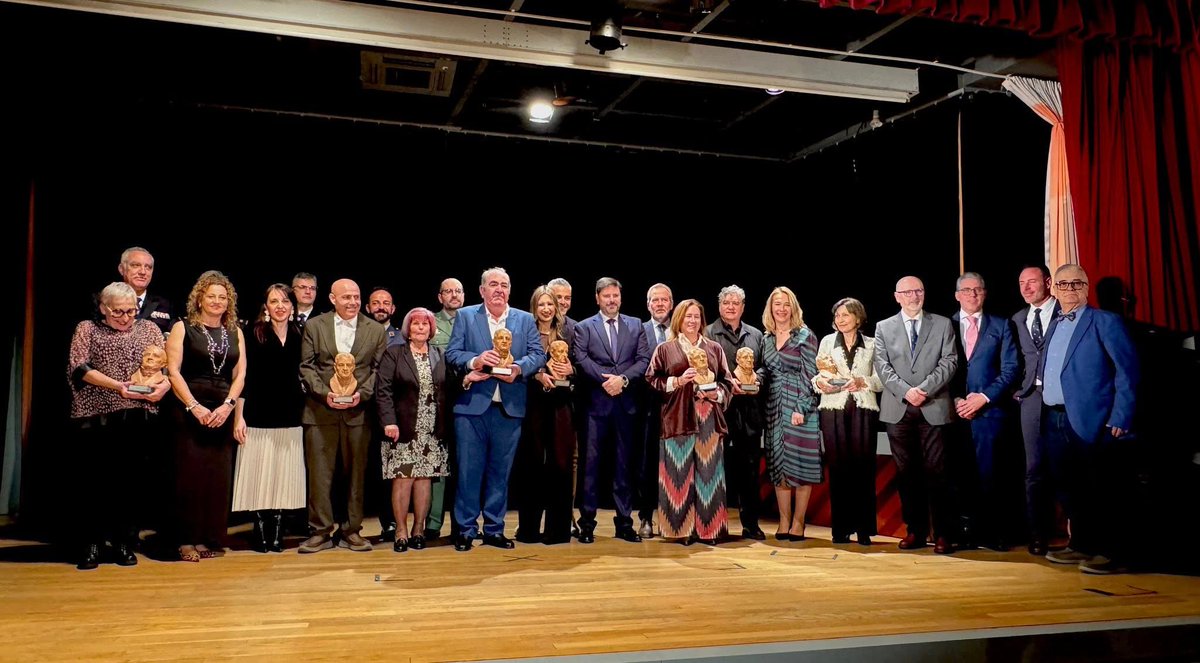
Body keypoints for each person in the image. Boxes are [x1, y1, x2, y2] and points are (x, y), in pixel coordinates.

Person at [1038, 264, 1140, 574]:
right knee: (1069, 486)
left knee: (1101, 488)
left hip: (1092, 419)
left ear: (1087, 287)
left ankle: (1110, 553)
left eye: (1076, 283)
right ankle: (1080, 545)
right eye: (1063, 284)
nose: (1069, 289)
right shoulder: (1055, 322)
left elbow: (1128, 371)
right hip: (1054, 418)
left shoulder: (1105, 322)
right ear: (1053, 288)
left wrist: (1121, 415)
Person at [67, 282, 170, 569]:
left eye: (131, 312)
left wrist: (165, 385)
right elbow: (79, 367)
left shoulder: (148, 329)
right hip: (96, 415)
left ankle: (124, 542)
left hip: (137, 416)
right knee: (94, 484)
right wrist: (117, 386)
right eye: (117, 313)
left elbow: (162, 369)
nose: (125, 318)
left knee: (130, 483)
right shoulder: (87, 328)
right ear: (103, 308)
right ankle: (91, 545)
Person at [445, 267, 546, 551]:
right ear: (482, 291)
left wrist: (517, 368)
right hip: (472, 408)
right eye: (493, 284)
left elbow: (538, 355)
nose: (499, 289)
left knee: (500, 473)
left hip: (509, 407)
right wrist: (475, 360)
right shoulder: (466, 316)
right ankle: (465, 530)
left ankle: (494, 529)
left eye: (504, 285)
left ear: (510, 290)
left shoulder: (524, 320)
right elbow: (452, 354)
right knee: (468, 472)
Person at [297, 278, 388, 553]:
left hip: (358, 413)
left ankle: (352, 530)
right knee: (320, 475)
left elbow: (378, 370)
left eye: (356, 297)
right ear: (332, 298)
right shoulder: (315, 326)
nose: (352, 302)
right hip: (320, 411)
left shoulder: (375, 330)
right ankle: (320, 532)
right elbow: (307, 367)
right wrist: (327, 394)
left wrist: (363, 394)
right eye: (346, 297)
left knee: (356, 475)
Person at [165, 271, 247, 562]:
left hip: (222, 410)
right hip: (189, 409)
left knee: (216, 478)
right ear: (199, 298)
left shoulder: (235, 331)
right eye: (211, 296)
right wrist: (194, 406)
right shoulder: (182, 327)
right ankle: (185, 540)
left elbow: (240, 374)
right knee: (189, 477)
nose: (217, 301)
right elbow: (173, 371)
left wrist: (228, 407)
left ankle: (207, 538)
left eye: (222, 297)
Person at [873, 276, 958, 554]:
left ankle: (943, 533)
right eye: (907, 292)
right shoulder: (883, 327)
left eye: (918, 291)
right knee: (906, 474)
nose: (913, 296)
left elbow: (950, 361)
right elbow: (882, 366)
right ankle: (915, 531)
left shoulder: (943, 323)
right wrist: (906, 392)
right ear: (896, 296)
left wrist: (924, 389)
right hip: (898, 408)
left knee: (939, 473)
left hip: (933, 406)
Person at [644, 299, 732, 545]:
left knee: (710, 474)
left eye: (696, 317)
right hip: (677, 416)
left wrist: (718, 394)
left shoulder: (714, 349)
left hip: (709, 418)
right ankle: (679, 530)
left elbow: (727, 381)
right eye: (687, 316)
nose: (692, 321)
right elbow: (652, 380)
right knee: (677, 473)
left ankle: (710, 530)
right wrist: (679, 381)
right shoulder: (665, 349)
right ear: (679, 319)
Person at [572, 277, 652, 544]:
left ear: (621, 297)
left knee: (624, 466)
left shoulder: (635, 325)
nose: (611, 300)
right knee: (590, 467)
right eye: (606, 296)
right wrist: (607, 380)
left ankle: (625, 523)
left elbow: (643, 359)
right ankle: (587, 524)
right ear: (597, 298)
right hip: (595, 407)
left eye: (615, 295)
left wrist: (624, 380)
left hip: (626, 406)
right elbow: (581, 358)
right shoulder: (584, 327)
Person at [231, 284, 305, 553]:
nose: (280, 306)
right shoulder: (253, 334)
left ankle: (278, 532)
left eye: (285, 301)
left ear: (293, 306)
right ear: (266, 306)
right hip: (258, 415)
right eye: (274, 301)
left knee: (283, 477)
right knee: (260, 476)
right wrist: (238, 417)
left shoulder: (300, 334)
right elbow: (243, 378)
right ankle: (261, 530)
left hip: (291, 416)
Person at [949, 272, 1019, 550]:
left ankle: (993, 532)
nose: (972, 295)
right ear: (957, 296)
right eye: (966, 290)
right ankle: (962, 533)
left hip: (990, 414)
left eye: (978, 290)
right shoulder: (945, 326)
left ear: (985, 293)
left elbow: (1011, 369)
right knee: (959, 475)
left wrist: (984, 397)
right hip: (954, 414)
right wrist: (955, 399)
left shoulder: (1002, 326)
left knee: (991, 475)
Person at [376, 307, 450, 553]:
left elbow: (448, 388)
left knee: (424, 480)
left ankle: (419, 529)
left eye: (425, 324)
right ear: (408, 328)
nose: (420, 328)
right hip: (403, 428)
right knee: (403, 479)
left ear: (431, 329)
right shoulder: (394, 353)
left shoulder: (439, 354)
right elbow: (383, 390)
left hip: (431, 430)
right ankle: (401, 530)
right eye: (416, 324)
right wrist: (389, 421)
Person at [812, 297, 883, 546]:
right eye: (837, 315)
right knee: (839, 469)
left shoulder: (873, 344)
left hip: (864, 409)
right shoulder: (827, 342)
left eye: (845, 314)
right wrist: (820, 383)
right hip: (833, 409)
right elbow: (819, 374)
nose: (840, 319)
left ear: (858, 317)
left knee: (863, 469)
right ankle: (840, 529)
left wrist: (864, 382)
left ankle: (864, 529)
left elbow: (881, 379)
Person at [513, 286, 577, 545]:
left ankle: (558, 530)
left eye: (551, 304)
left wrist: (571, 369)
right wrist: (538, 374)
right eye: (542, 304)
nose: (547, 308)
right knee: (532, 465)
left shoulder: (569, 331)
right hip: (533, 404)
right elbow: (516, 363)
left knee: (561, 464)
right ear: (534, 307)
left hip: (561, 405)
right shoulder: (523, 331)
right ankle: (528, 529)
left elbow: (581, 367)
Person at [704, 285, 767, 540]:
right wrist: (729, 384)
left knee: (750, 471)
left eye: (735, 303)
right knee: (715, 470)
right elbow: (705, 371)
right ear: (719, 306)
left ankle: (751, 523)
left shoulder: (756, 335)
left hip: (749, 412)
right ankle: (714, 525)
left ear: (743, 307)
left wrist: (757, 380)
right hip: (718, 411)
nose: (730, 306)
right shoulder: (708, 333)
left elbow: (764, 367)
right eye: (726, 302)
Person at [759, 287, 821, 541]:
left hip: (799, 406)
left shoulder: (805, 336)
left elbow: (811, 375)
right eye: (777, 304)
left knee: (800, 466)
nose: (781, 309)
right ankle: (784, 520)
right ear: (770, 308)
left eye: (786, 304)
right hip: (773, 407)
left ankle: (799, 522)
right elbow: (765, 370)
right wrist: (753, 378)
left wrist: (801, 407)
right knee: (778, 465)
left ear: (793, 308)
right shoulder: (766, 338)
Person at [1011, 264, 1059, 556]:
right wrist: (1019, 389)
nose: (1027, 288)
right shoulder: (1017, 319)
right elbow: (1015, 359)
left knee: (1069, 469)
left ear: (1048, 282)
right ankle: (1039, 535)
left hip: (1063, 400)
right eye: (1021, 283)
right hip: (1030, 400)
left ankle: (1082, 538)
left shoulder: (1065, 314)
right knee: (1033, 470)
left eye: (1032, 282)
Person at [635, 282, 674, 537]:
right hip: (646, 407)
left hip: (676, 407)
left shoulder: (681, 330)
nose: (659, 304)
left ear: (671, 303)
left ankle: (672, 519)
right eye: (655, 300)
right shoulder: (638, 330)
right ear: (648, 304)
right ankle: (646, 517)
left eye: (664, 300)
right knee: (646, 464)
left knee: (674, 464)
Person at [428, 277, 464, 540]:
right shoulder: (430, 322)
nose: (454, 295)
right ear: (440, 297)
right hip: (437, 399)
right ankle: (433, 522)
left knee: (464, 464)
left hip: (468, 397)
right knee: (438, 464)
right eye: (448, 291)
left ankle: (462, 522)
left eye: (458, 291)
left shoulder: (473, 320)